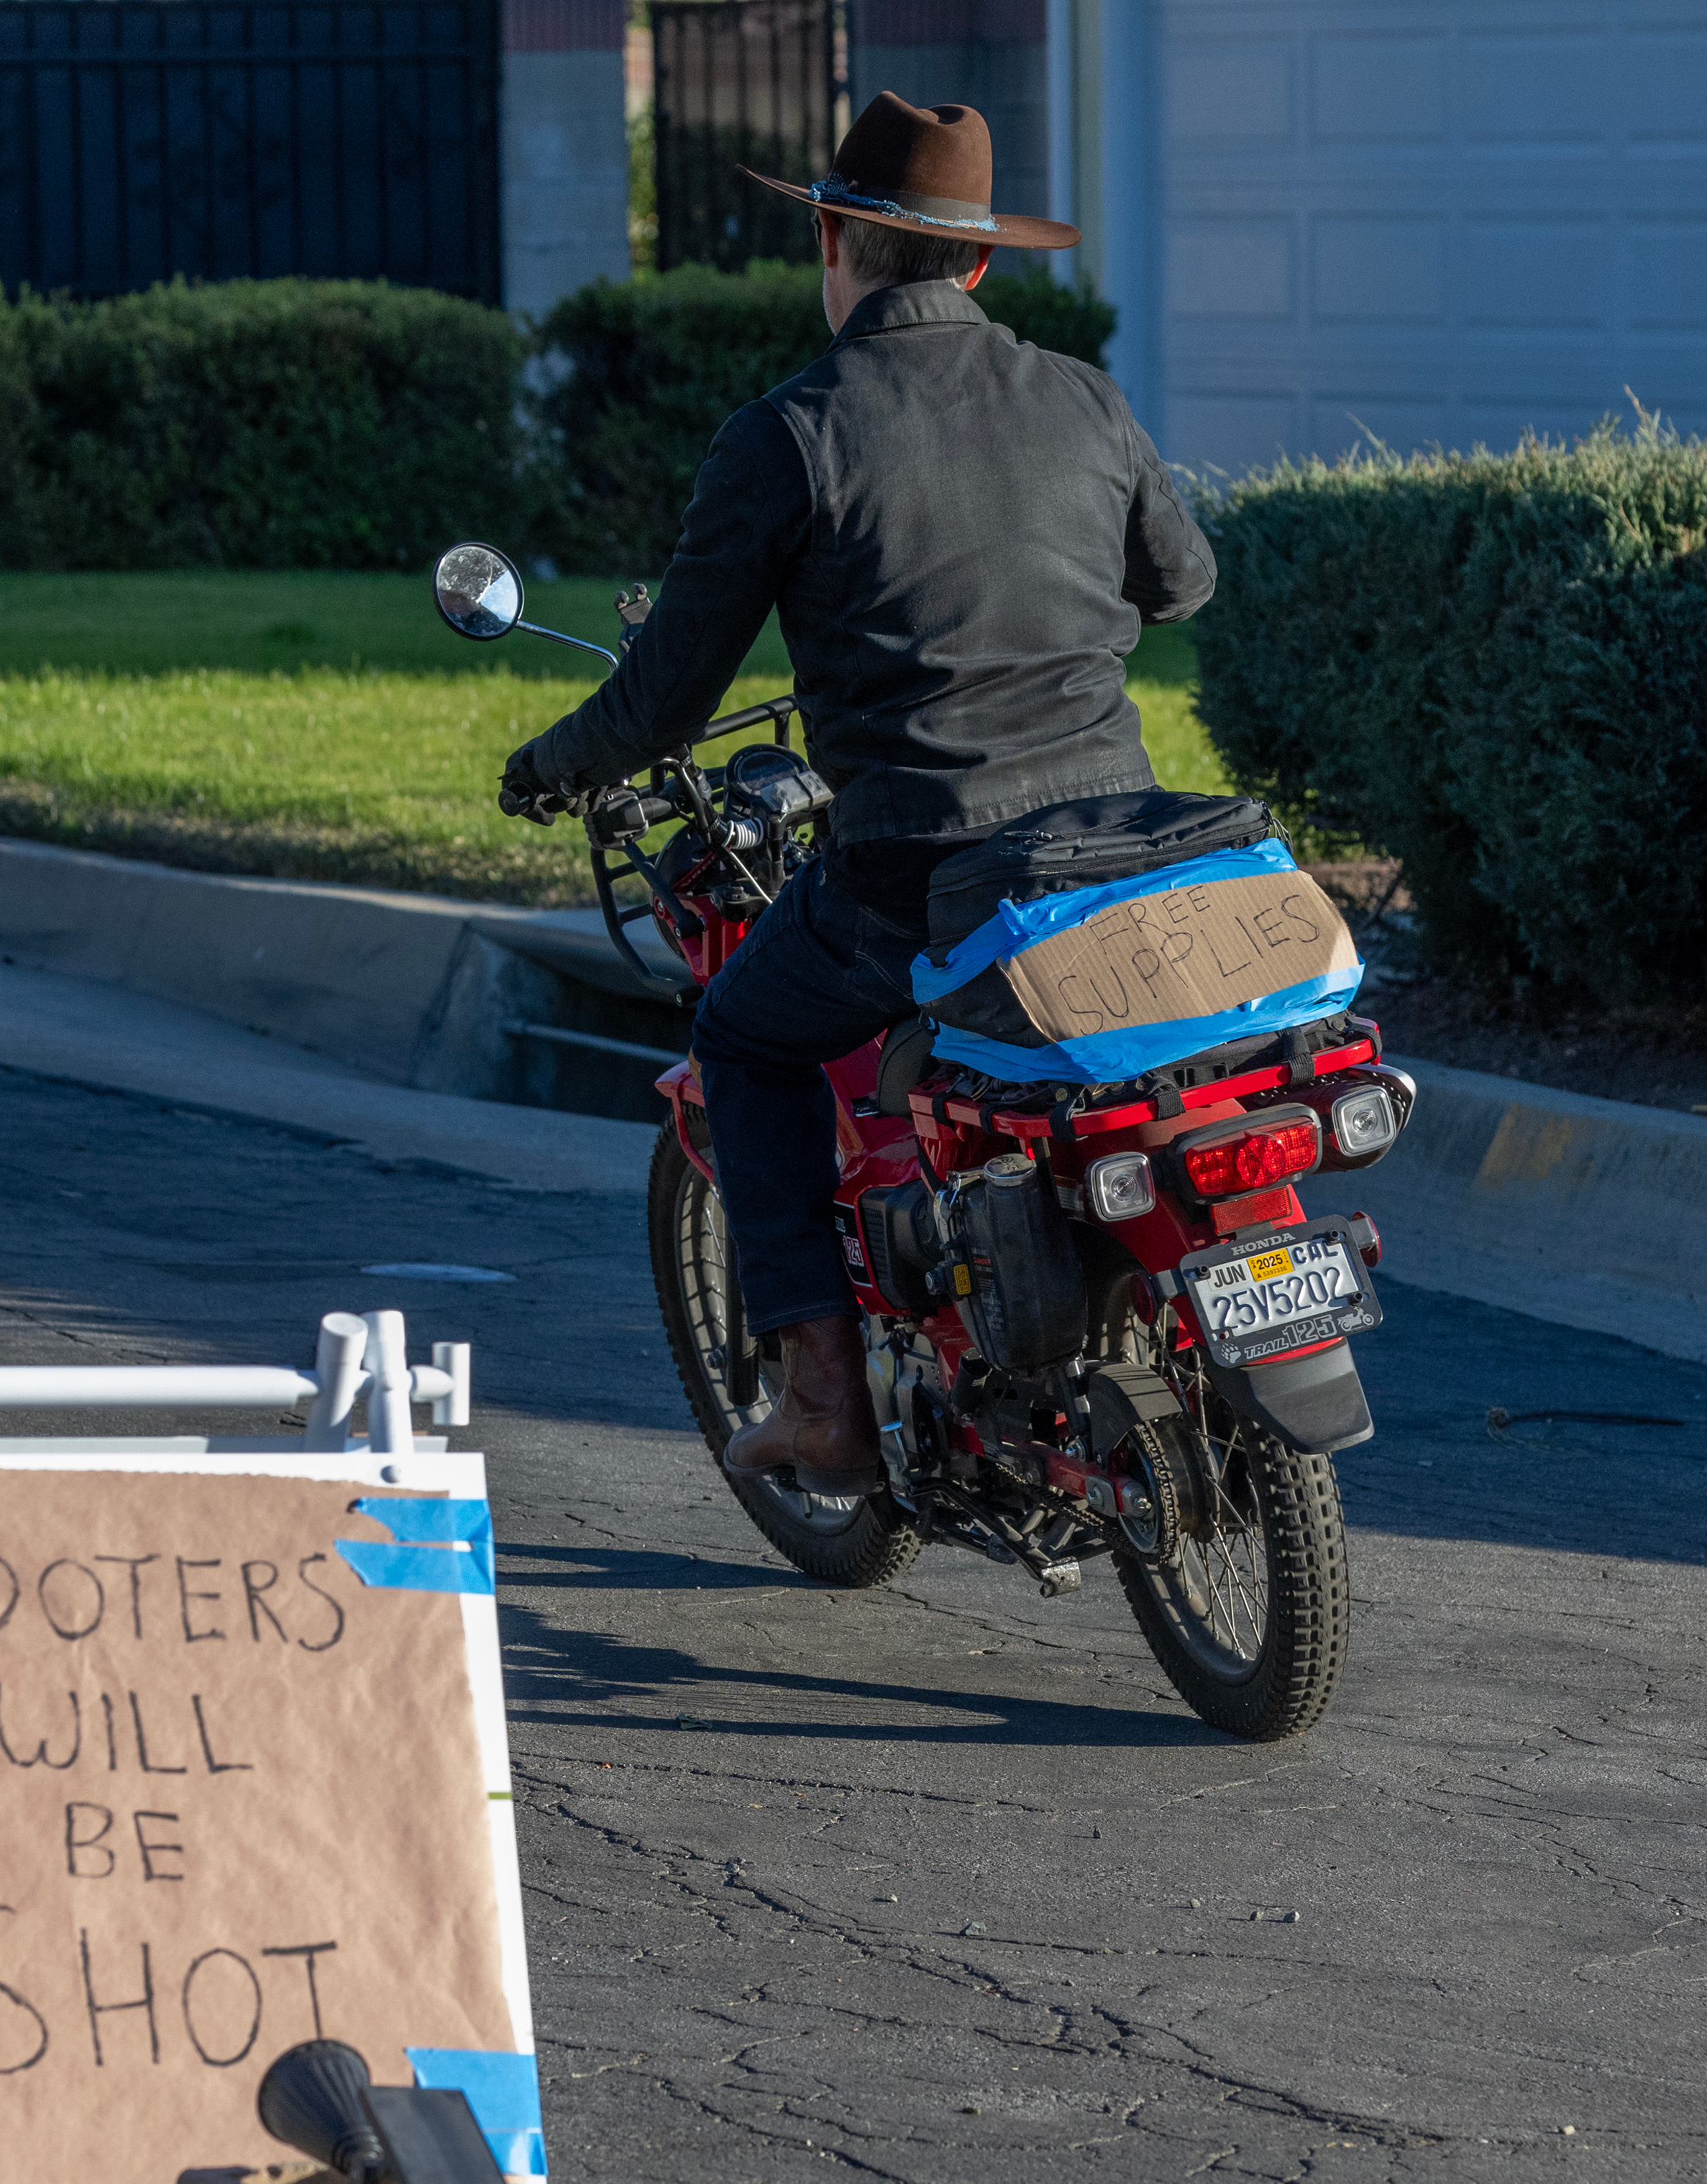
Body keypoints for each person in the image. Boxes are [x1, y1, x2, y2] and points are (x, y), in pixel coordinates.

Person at [498, 91, 1215, 1497]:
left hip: (913, 872)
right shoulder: (1081, 394)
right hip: (1111, 847)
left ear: (833, 240)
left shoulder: (786, 434)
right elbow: (1179, 583)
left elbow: (665, 700)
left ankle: (823, 1399)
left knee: (746, 1035)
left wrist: (550, 767)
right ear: (980, 262)